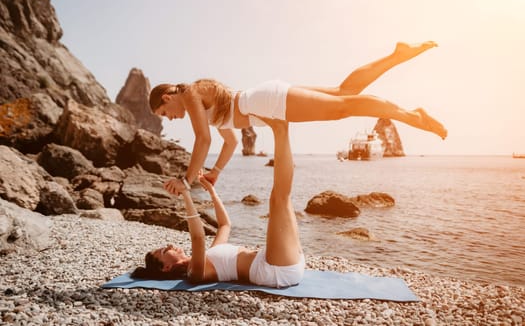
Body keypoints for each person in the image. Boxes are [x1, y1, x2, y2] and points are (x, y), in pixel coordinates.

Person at [149, 41, 447, 193]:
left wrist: (186, 180)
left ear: (166, 97)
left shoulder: (187, 91)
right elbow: (229, 142)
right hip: (263, 101)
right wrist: (215, 171)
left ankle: (410, 115)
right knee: (344, 91)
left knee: (342, 108)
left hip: (265, 102)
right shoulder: (201, 103)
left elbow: (203, 139)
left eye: (165, 113)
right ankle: (398, 54)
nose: (171, 119)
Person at [131, 119, 304, 288]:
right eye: (163, 251)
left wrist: (212, 192)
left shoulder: (209, 255)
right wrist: (185, 193)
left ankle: (281, 127)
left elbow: (225, 225)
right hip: (274, 270)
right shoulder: (195, 272)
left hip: (279, 261)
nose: (169, 245)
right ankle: (280, 127)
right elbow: (198, 238)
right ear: (166, 268)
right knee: (279, 198)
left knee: (280, 197)